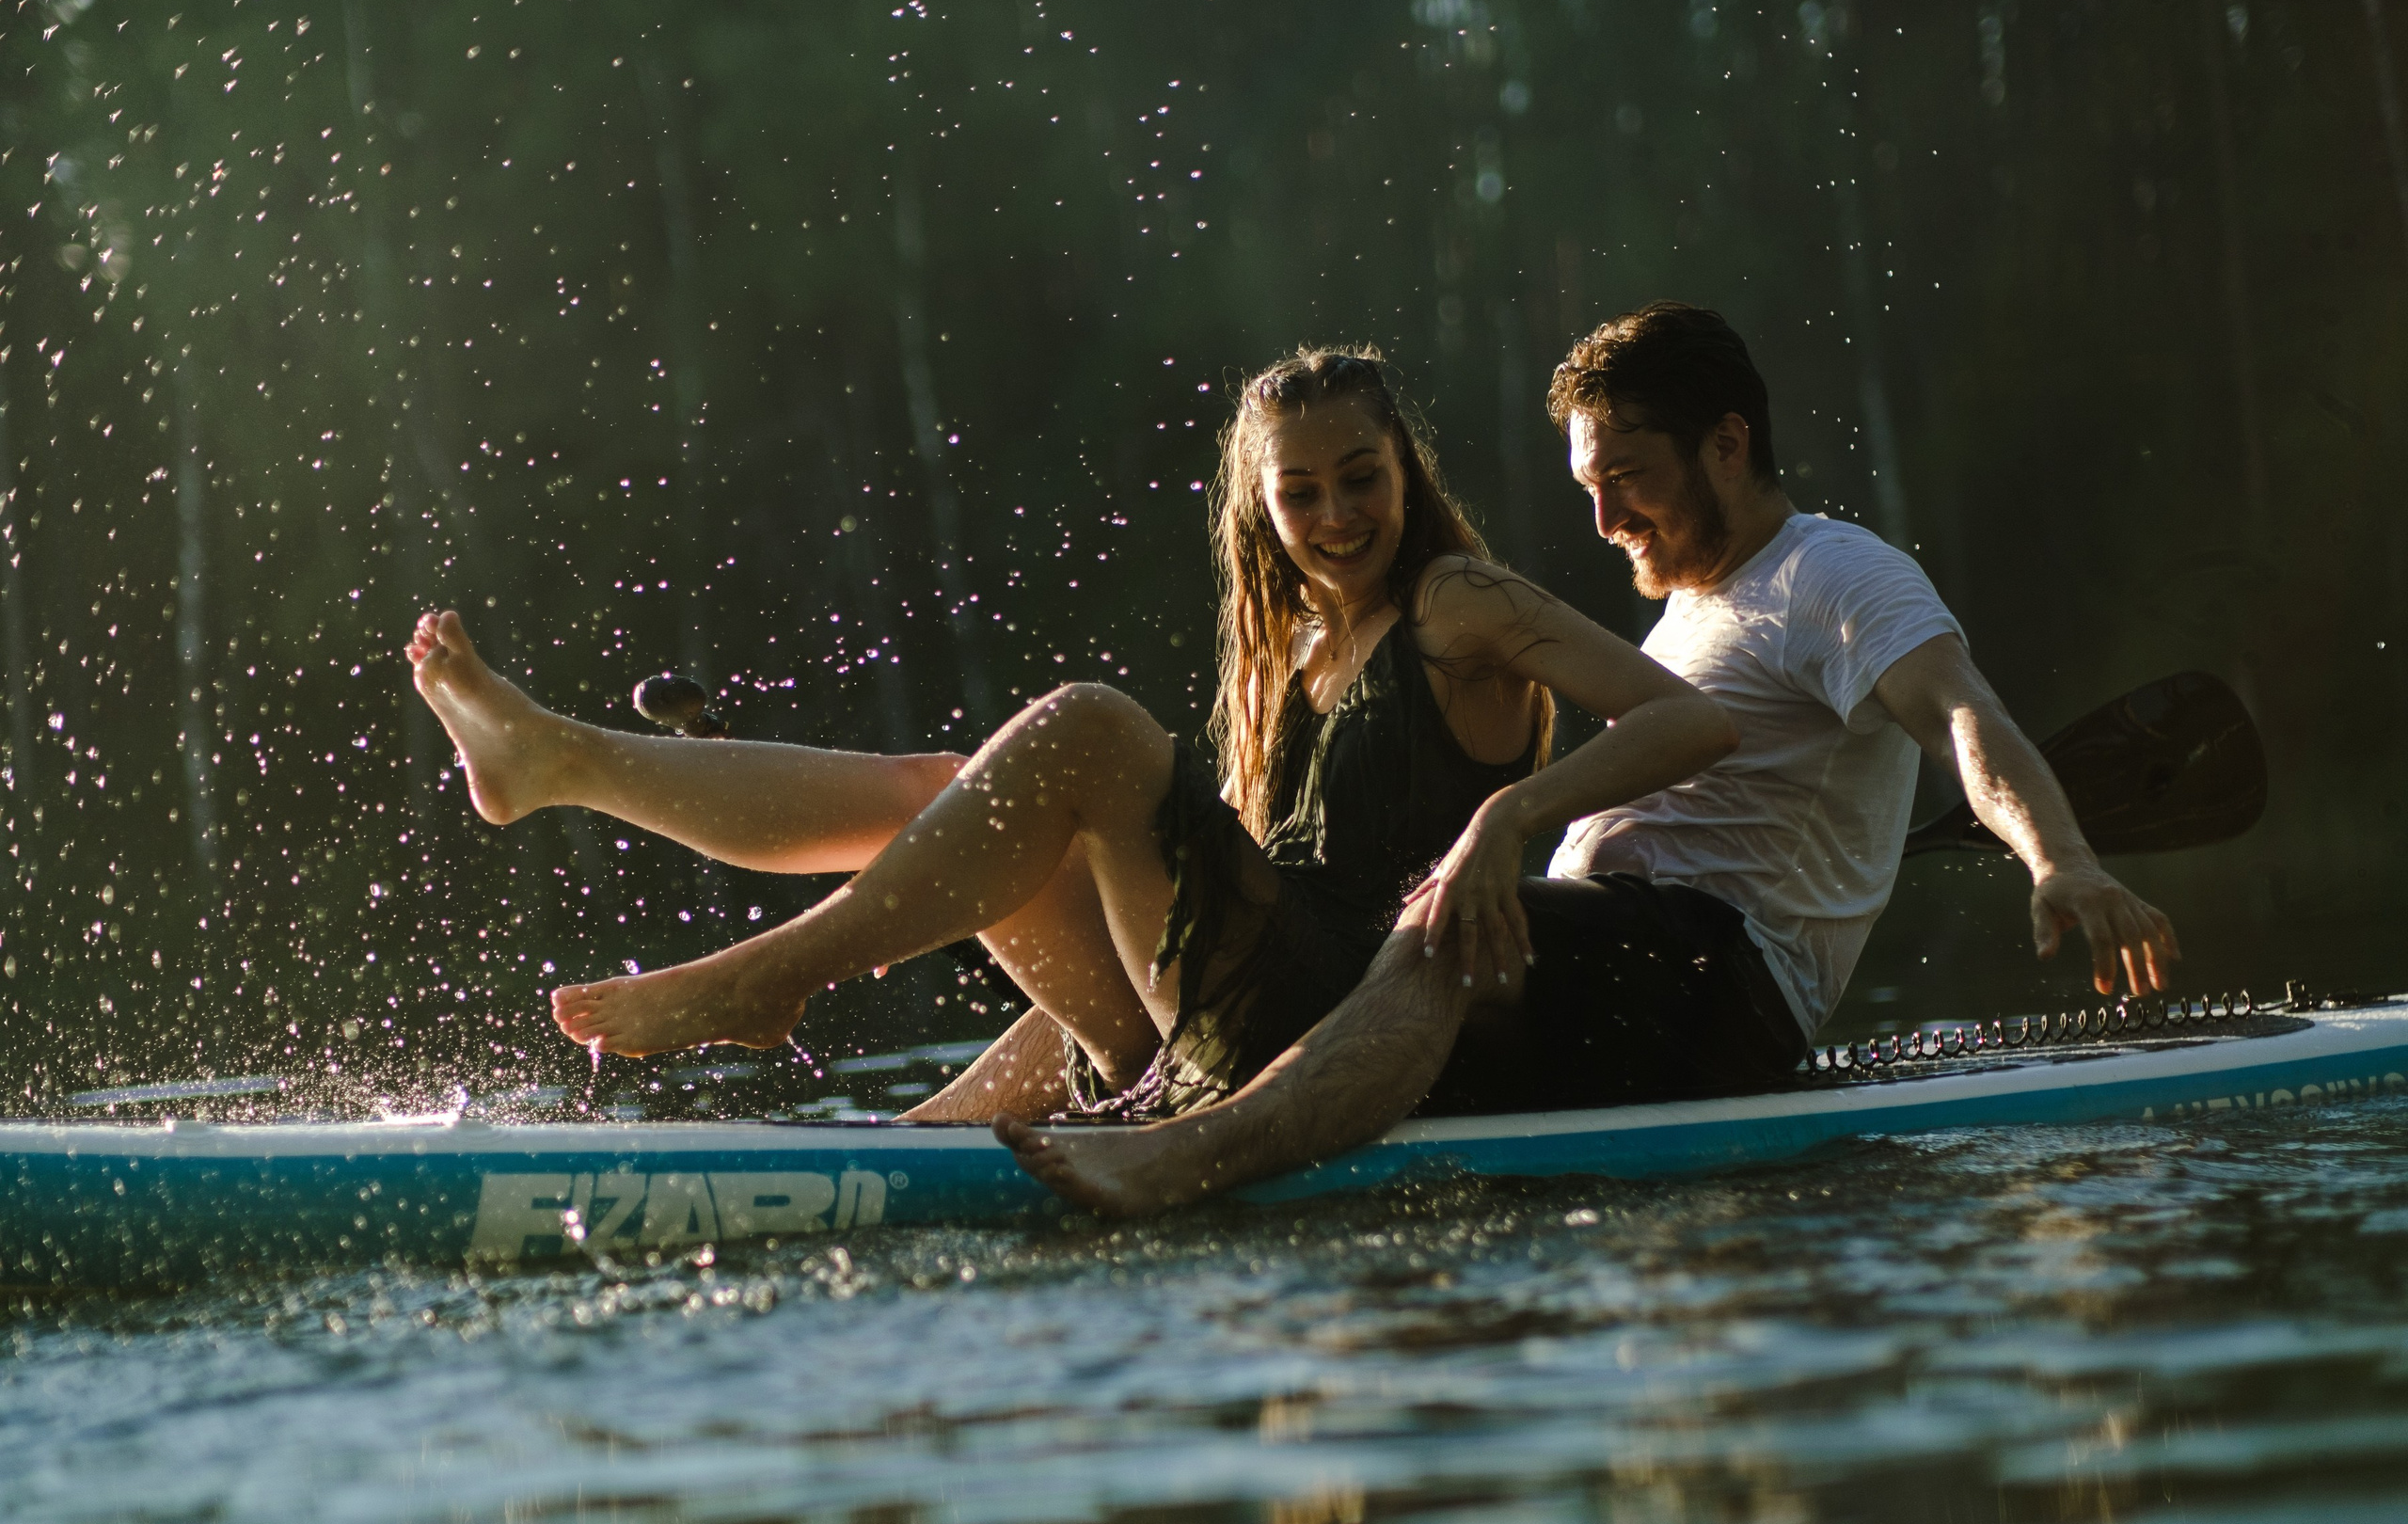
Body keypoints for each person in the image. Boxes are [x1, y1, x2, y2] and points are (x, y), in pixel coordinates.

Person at [996, 302, 2181, 1214]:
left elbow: (1962, 716)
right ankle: (966, 1133)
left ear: (1728, 445)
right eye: (1588, 487)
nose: (1605, 519)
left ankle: (1191, 1156)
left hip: (1720, 984)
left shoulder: (1836, 573)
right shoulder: (1688, 614)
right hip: (1607, 968)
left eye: (1628, 480)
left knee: (1442, 922)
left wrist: (2059, 861)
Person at [404, 347, 1737, 1116]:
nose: (1337, 516)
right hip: (1251, 1013)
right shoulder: (1288, 653)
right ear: (1261, 504)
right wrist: (928, 1144)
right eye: (1302, 492)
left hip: (1357, 1018)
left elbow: (1689, 721)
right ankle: (564, 760)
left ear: (1407, 472)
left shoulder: (1458, 602)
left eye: (1362, 479)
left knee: (1089, 728)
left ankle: (766, 973)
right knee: (953, 790)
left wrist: (1511, 816)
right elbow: (1164, 958)